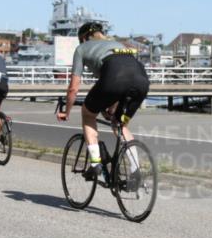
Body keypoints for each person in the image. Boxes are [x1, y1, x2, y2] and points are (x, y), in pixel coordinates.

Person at [56, 22, 150, 181]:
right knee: (119, 123)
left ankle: (95, 163)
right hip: (141, 82)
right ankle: (136, 171)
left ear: (84, 38)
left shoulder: (82, 48)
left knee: (87, 114)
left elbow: (73, 88)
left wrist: (67, 111)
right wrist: (110, 109)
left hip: (114, 79)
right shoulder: (117, 44)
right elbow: (120, 84)